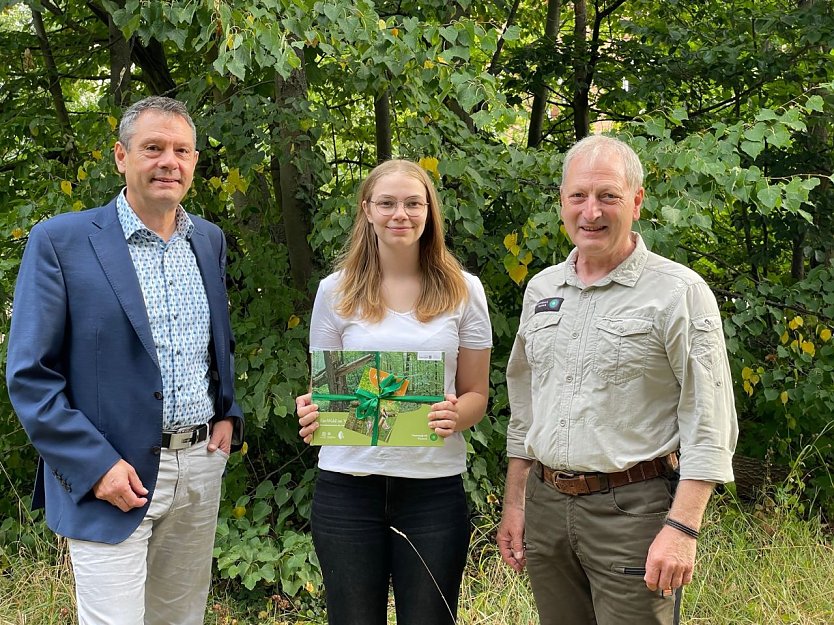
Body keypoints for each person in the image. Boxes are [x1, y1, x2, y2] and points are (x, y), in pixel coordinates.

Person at [6, 96, 243, 625]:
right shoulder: (61, 242)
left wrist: (229, 412)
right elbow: (29, 376)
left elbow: (214, 341)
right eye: (153, 148)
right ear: (121, 156)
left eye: (181, 150)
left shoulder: (208, 240)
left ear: (195, 163)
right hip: (112, 478)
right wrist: (95, 467)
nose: (169, 162)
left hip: (199, 468)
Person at [497, 135, 738, 625]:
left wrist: (683, 528)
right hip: (546, 506)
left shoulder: (678, 293)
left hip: (632, 511)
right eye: (578, 197)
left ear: (637, 201)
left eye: (608, 195)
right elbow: (526, 409)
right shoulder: (542, 289)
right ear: (561, 202)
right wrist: (515, 504)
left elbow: (709, 421)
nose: (591, 211)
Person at [295, 159, 492, 625]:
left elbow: (476, 394)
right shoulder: (334, 290)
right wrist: (311, 408)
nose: (399, 214)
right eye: (386, 203)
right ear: (367, 209)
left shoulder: (465, 291)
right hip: (347, 488)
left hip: (432, 491)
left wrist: (456, 416)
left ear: (429, 212)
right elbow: (326, 389)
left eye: (412, 203)